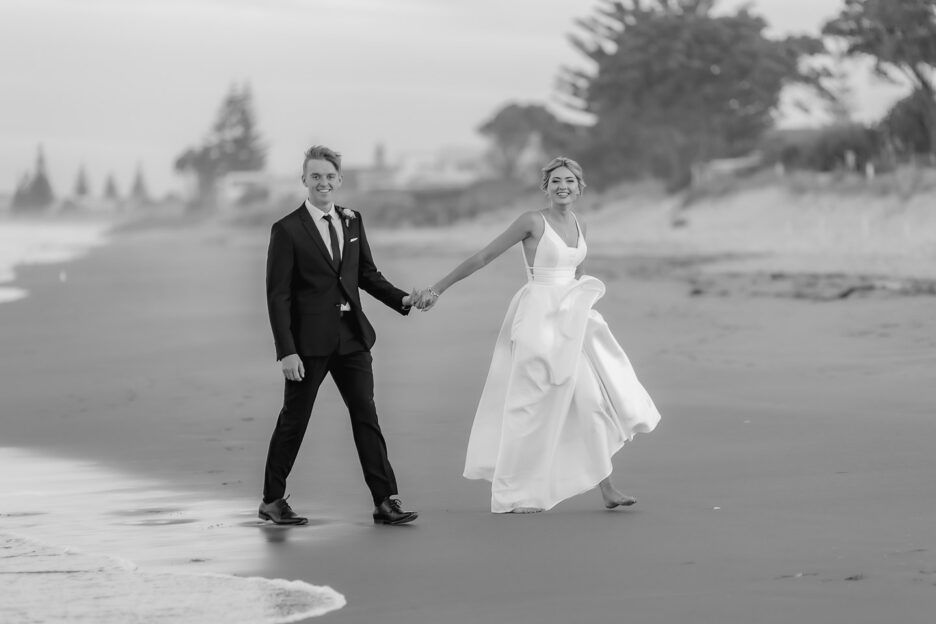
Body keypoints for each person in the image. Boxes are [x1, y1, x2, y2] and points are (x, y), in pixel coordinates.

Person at [415, 156, 661, 513]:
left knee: (591, 402)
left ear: (580, 187)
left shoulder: (582, 224)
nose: (563, 187)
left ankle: (607, 488)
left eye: (570, 181)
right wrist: (438, 288)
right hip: (536, 319)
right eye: (556, 181)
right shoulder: (532, 221)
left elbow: (579, 275)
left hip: (571, 322)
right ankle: (512, 493)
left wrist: (584, 315)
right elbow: (484, 256)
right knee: (529, 407)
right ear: (545, 187)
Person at [259, 145, 419, 526]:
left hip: (352, 339)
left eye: (330, 176)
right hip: (308, 345)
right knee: (294, 420)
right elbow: (277, 295)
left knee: (367, 416)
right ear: (304, 181)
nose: (323, 182)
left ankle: (385, 500)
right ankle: (271, 500)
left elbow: (366, 274)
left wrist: (404, 299)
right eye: (315, 176)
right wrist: (287, 352)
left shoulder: (352, 221)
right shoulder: (286, 230)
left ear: (340, 180)